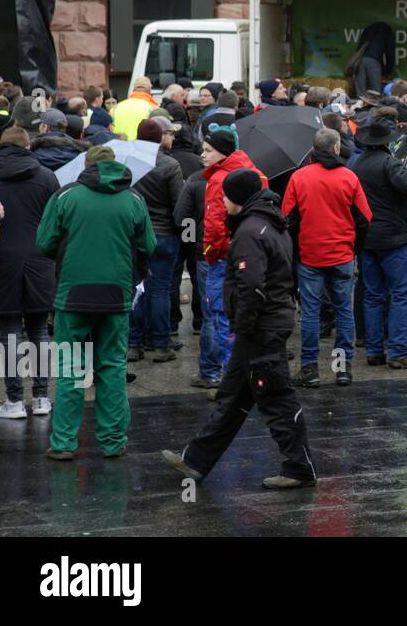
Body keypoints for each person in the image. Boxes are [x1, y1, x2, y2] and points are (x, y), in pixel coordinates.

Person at [162, 168, 316, 489]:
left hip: (260, 330)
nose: (222, 201)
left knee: (275, 399)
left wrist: (241, 327)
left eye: (225, 196)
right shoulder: (270, 222)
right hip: (264, 326)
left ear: (237, 198)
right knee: (232, 399)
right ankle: (196, 461)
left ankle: (299, 468)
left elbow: (252, 286)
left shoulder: (250, 230)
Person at [38, 145, 156, 460]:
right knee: (112, 367)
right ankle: (113, 441)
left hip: (72, 295)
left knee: (70, 371)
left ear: (86, 166)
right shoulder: (133, 199)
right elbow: (149, 244)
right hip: (116, 295)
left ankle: (63, 443)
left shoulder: (65, 196)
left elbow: (44, 242)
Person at [282, 128, 371, 388]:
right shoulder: (349, 177)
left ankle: (310, 370)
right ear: (335, 148)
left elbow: (287, 218)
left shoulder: (299, 177)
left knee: (310, 313)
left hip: (310, 255)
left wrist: (297, 248)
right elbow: (365, 219)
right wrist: (354, 248)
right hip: (341, 253)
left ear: (313, 149)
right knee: (344, 311)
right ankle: (342, 369)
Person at [0, 127, 57, 418]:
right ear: (28, 146)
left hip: (1, 261)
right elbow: (56, 223)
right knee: (40, 329)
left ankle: (14, 400)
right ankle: (42, 398)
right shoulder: (46, 176)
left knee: (9, 333)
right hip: (40, 260)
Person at [352, 116, 407, 370]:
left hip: (367, 237)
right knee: (400, 295)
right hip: (393, 238)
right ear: (387, 142)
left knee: (372, 295)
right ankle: (397, 351)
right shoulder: (388, 163)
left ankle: (374, 350)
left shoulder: (358, 163)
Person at [198, 127, 267, 390]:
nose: (202, 155)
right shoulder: (254, 172)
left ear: (223, 153)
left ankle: (230, 377)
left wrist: (210, 254)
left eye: (208, 150)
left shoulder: (218, 180)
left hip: (225, 256)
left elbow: (214, 225)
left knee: (221, 315)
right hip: (251, 252)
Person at [128, 119, 185, 364]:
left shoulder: (128, 163)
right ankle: (160, 343)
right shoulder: (170, 165)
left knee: (136, 289)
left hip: (134, 234)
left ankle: (133, 344)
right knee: (160, 288)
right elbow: (179, 204)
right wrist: (185, 232)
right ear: (159, 138)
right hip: (163, 234)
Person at [352, 21, 396, 97]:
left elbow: (359, 48)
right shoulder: (387, 30)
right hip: (374, 62)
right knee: (375, 93)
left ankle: (359, 108)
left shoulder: (368, 29)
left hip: (359, 61)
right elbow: (390, 53)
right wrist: (388, 71)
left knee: (360, 94)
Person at [111, 76, 158, 142]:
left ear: (133, 90)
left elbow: (109, 128)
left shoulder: (116, 107)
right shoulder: (153, 108)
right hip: (142, 147)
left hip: (119, 146)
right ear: (149, 90)